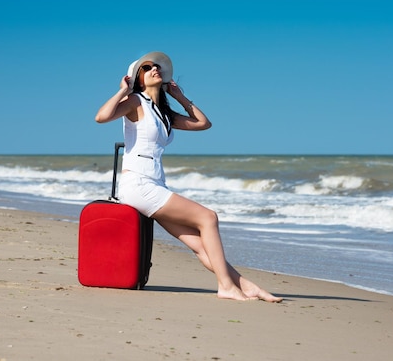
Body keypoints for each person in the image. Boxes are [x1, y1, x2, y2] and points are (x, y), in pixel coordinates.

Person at [95, 51, 282, 302]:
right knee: (208, 217)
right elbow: (101, 117)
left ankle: (247, 286)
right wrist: (123, 90)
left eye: (157, 66)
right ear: (137, 78)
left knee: (199, 244)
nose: (154, 69)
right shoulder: (135, 102)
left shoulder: (163, 113)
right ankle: (225, 286)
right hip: (138, 184)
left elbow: (203, 123)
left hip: (154, 183)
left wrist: (180, 97)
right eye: (147, 67)